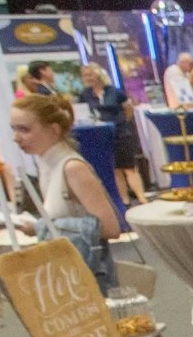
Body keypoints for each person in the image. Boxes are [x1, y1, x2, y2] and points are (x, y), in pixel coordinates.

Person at [11, 92, 123, 289]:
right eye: (14, 129)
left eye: (25, 129)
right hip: (68, 274)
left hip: (90, 277)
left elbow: (110, 228)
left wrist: (41, 227)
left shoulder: (72, 168)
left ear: (53, 129)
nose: (16, 138)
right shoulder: (47, 165)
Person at [76, 64, 147, 204]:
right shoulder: (84, 95)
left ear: (98, 75)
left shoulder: (114, 91)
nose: (88, 78)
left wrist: (121, 121)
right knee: (116, 170)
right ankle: (124, 200)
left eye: (90, 74)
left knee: (129, 167)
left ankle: (141, 197)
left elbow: (128, 108)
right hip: (102, 135)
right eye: (85, 75)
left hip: (121, 133)